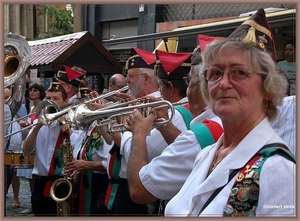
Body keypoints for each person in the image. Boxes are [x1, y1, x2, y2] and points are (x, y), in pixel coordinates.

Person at [163, 8, 295, 217]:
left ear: (267, 90)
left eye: (239, 72)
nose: (223, 83)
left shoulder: (277, 169)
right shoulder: (206, 155)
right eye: (215, 73)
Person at [124, 36, 224, 214]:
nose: (187, 90)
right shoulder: (218, 127)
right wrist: (163, 124)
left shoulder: (201, 131)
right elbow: (190, 151)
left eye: (189, 81)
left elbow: (139, 190)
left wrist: (137, 133)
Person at [22, 78, 74, 216]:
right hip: (40, 184)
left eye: (56, 98)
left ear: (66, 102)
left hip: (63, 183)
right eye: (48, 98)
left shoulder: (73, 125)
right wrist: (37, 126)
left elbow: (74, 152)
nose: (51, 102)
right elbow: (26, 150)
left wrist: (65, 124)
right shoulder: (39, 125)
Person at [17, 83, 46, 214]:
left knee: (33, 175)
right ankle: (32, 202)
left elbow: (40, 122)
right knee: (30, 176)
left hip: (39, 142)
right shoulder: (32, 107)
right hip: (31, 141)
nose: (32, 92)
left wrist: (27, 124)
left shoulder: (42, 106)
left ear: (41, 92)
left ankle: (35, 203)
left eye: (35, 90)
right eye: (31, 90)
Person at [4, 88, 24, 209]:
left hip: (13, 145)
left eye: (8, 96)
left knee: (14, 174)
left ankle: (15, 198)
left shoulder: (7, 108)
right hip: (8, 145)